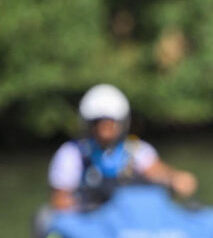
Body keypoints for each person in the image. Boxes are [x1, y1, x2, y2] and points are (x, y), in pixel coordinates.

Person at [47, 84, 198, 209]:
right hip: (91, 225)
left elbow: (155, 170)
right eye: (100, 123)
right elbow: (60, 198)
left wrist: (175, 179)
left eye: (111, 124)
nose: (105, 130)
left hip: (129, 224)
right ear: (89, 124)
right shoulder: (72, 154)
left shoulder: (135, 150)